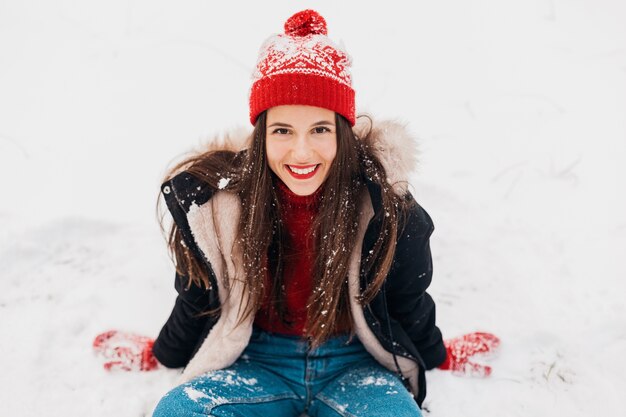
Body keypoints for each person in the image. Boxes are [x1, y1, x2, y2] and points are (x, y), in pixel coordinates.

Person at [93, 9, 500, 417]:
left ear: (342, 132)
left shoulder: (385, 210)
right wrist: (161, 353)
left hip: (354, 365)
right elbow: (198, 295)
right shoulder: (218, 207)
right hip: (258, 362)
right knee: (179, 411)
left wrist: (437, 355)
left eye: (320, 130)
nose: (301, 152)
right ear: (261, 136)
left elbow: (408, 301)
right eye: (282, 130)